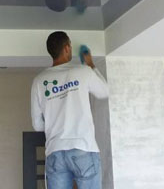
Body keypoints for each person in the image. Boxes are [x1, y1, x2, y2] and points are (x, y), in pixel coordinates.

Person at [30, 31, 109, 189]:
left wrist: (54, 122)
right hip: (83, 148)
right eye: (70, 46)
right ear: (66, 48)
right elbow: (104, 91)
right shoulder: (83, 72)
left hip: (55, 151)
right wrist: (90, 64)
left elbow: (37, 125)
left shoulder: (39, 81)